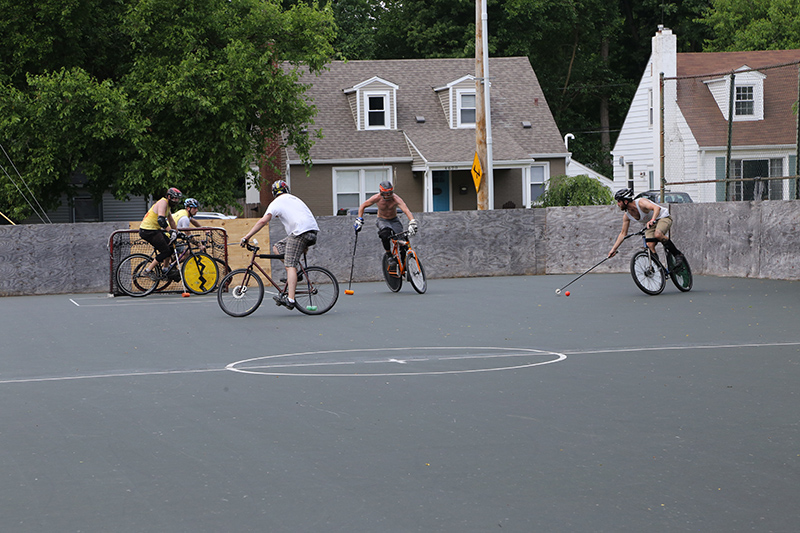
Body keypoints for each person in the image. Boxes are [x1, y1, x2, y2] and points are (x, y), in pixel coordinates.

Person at [240, 180, 319, 311]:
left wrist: (247, 236)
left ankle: (291, 300)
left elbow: (263, 220)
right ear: (286, 189)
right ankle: (296, 274)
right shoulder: (294, 199)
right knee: (278, 247)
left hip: (300, 232)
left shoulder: (276, 202)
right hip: (311, 231)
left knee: (289, 265)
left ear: (274, 193)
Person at [608, 188, 684, 263]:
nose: (618, 204)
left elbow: (657, 208)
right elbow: (623, 234)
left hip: (663, 217)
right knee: (649, 245)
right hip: (651, 224)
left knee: (658, 234)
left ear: (626, 201)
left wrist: (652, 220)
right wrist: (613, 249)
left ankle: (677, 254)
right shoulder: (627, 216)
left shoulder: (641, 202)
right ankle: (658, 266)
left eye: (619, 201)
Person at [353, 181, 418, 267]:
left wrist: (412, 221)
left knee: (403, 240)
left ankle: (405, 262)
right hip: (382, 220)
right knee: (385, 234)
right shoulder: (376, 198)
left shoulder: (396, 199)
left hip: (394, 220)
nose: (388, 195)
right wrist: (359, 219)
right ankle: (389, 255)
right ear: (381, 192)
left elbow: (406, 210)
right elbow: (362, 206)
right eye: (385, 193)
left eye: (390, 193)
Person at [139, 187, 182, 277]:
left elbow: (171, 221)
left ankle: (165, 269)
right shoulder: (163, 202)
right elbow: (161, 221)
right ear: (169, 197)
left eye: (177, 199)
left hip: (154, 230)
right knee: (165, 252)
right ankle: (148, 270)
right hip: (148, 230)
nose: (176, 201)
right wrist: (170, 231)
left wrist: (177, 233)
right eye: (175, 198)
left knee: (170, 247)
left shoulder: (168, 206)